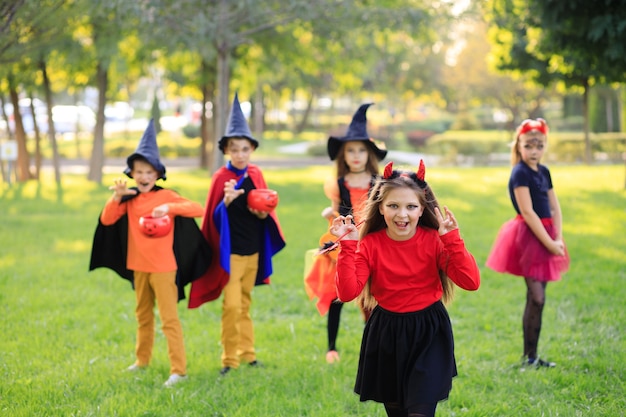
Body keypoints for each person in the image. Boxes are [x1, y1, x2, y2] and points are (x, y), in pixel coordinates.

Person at [329, 160, 481, 417]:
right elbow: (347, 293)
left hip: (429, 332)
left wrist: (452, 240)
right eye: (393, 206)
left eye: (411, 206)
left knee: (420, 411)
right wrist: (348, 246)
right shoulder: (370, 245)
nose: (402, 215)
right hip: (387, 333)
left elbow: (471, 282)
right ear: (381, 208)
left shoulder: (435, 240)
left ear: (423, 209)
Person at [89, 119, 212, 387]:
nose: (144, 177)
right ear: (132, 174)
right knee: (143, 316)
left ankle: (178, 370)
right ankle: (141, 360)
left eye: (149, 172)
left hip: (164, 268)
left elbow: (197, 208)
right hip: (138, 266)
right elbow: (108, 220)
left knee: (169, 319)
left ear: (157, 174)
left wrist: (169, 208)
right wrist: (117, 198)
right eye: (139, 172)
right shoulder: (130, 198)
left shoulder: (167, 196)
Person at [188, 93, 286, 376]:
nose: (240, 154)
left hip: (253, 250)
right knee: (231, 307)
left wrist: (262, 212)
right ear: (227, 150)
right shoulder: (221, 178)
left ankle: (248, 354)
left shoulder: (256, 173)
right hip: (231, 255)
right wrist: (226, 203)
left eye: (245, 148)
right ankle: (229, 359)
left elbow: (264, 211)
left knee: (244, 303)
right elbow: (213, 219)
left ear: (251, 149)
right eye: (234, 149)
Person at [304, 103, 387, 364]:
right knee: (337, 294)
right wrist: (330, 214)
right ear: (343, 154)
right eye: (350, 150)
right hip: (344, 244)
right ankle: (331, 347)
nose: (356, 156)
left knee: (372, 298)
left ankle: (373, 343)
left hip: (373, 244)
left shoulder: (378, 183)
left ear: (369, 153)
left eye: (361, 150)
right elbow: (336, 210)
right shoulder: (339, 183)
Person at [486, 118, 569, 368]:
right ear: (519, 146)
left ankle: (532, 356)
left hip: (548, 235)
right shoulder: (519, 172)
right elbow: (529, 212)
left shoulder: (544, 171)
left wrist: (558, 237)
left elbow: (555, 206)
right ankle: (529, 357)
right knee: (537, 297)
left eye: (540, 145)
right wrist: (549, 243)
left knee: (536, 298)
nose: (535, 151)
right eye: (529, 146)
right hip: (530, 237)